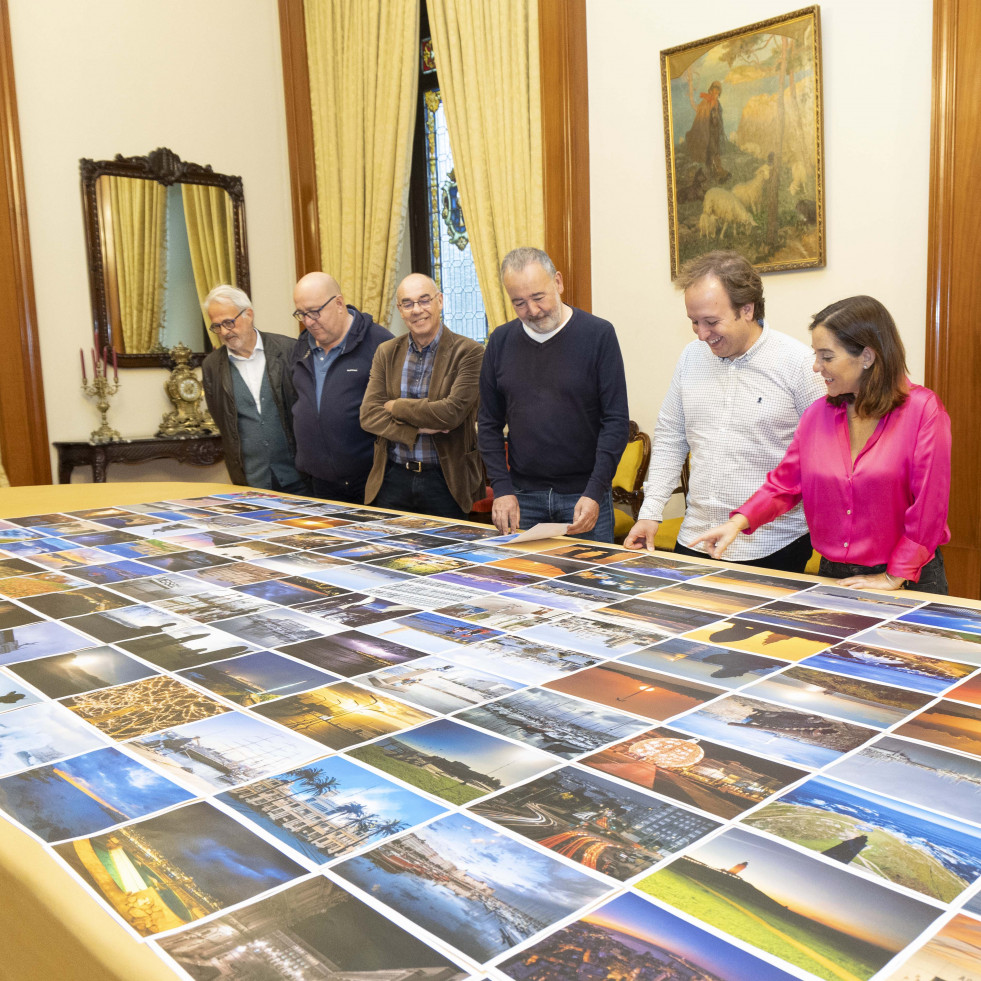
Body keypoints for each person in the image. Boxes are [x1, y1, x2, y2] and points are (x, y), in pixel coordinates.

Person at [691, 295, 950, 593]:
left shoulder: (923, 411)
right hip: (834, 575)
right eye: (816, 355)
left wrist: (895, 575)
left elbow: (929, 509)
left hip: (909, 576)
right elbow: (784, 485)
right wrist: (737, 522)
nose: (816, 367)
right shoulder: (817, 415)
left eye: (827, 357)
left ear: (867, 356)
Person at [624, 251, 825, 572]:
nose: (702, 334)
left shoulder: (799, 365)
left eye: (712, 322)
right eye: (694, 322)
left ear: (747, 309)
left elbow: (819, 460)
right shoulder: (691, 358)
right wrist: (650, 512)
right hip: (697, 536)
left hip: (772, 544)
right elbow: (671, 438)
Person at [478, 247, 629, 543]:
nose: (532, 311)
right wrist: (502, 488)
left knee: (592, 586)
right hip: (523, 498)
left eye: (538, 297)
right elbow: (488, 424)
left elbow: (615, 421)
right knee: (525, 586)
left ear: (558, 282)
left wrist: (595, 490)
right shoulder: (499, 342)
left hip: (584, 496)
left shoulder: (598, 335)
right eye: (519, 303)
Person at [360, 273, 483, 519]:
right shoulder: (386, 352)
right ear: (400, 310)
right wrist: (418, 429)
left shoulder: (470, 352)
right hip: (393, 477)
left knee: (448, 556)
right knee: (389, 554)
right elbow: (369, 415)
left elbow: (450, 414)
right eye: (408, 303)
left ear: (440, 301)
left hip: (446, 481)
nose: (417, 310)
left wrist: (395, 406)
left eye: (424, 300)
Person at [290, 271, 393, 503]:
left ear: (338, 303)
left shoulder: (380, 343)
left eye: (315, 312)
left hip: (372, 481)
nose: (308, 322)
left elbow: (398, 412)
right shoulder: (301, 347)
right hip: (319, 483)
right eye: (301, 314)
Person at [200, 284, 307, 493]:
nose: (224, 332)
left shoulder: (289, 350)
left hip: (300, 476)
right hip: (251, 482)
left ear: (248, 314)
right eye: (217, 326)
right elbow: (223, 420)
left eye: (229, 322)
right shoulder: (212, 366)